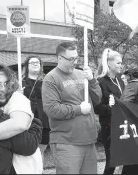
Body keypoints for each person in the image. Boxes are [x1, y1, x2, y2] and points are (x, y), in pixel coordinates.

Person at [42, 42, 102, 174]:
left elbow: (97, 99)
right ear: (59, 58)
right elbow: (52, 109)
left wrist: (92, 80)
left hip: (88, 140)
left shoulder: (82, 74)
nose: (75, 62)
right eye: (71, 59)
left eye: (76, 58)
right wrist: (78, 109)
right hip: (67, 142)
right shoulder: (51, 78)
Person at [94, 48, 125, 175]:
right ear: (109, 63)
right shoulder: (101, 82)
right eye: (118, 63)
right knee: (112, 161)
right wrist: (110, 107)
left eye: (121, 62)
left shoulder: (120, 81)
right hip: (109, 126)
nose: (121, 65)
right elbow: (97, 108)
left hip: (122, 124)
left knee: (124, 160)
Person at [22, 56, 50, 163]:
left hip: (44, 121)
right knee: (29, 151)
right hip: (28, 121)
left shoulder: (47, 82)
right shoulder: (21, 83)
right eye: (32, 62)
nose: (35, 64)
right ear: (27, 67)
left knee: (40, 151)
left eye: (37, 62)